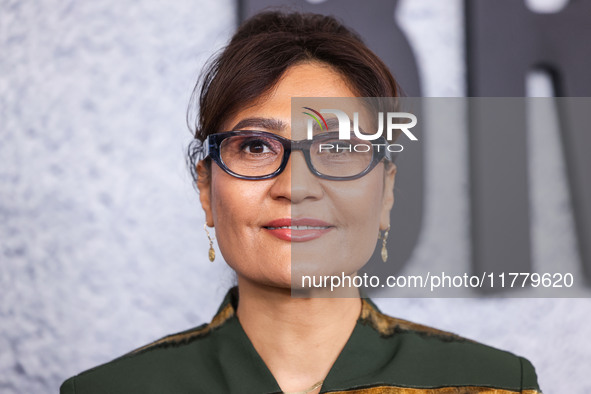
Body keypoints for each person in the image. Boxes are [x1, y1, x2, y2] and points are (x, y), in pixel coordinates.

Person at [60, 10, 541, 394]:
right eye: (254, 146)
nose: (295, 185)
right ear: (206, 189)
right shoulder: (112, 390)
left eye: (336, 148)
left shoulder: (492, 385)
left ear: (386, 191)